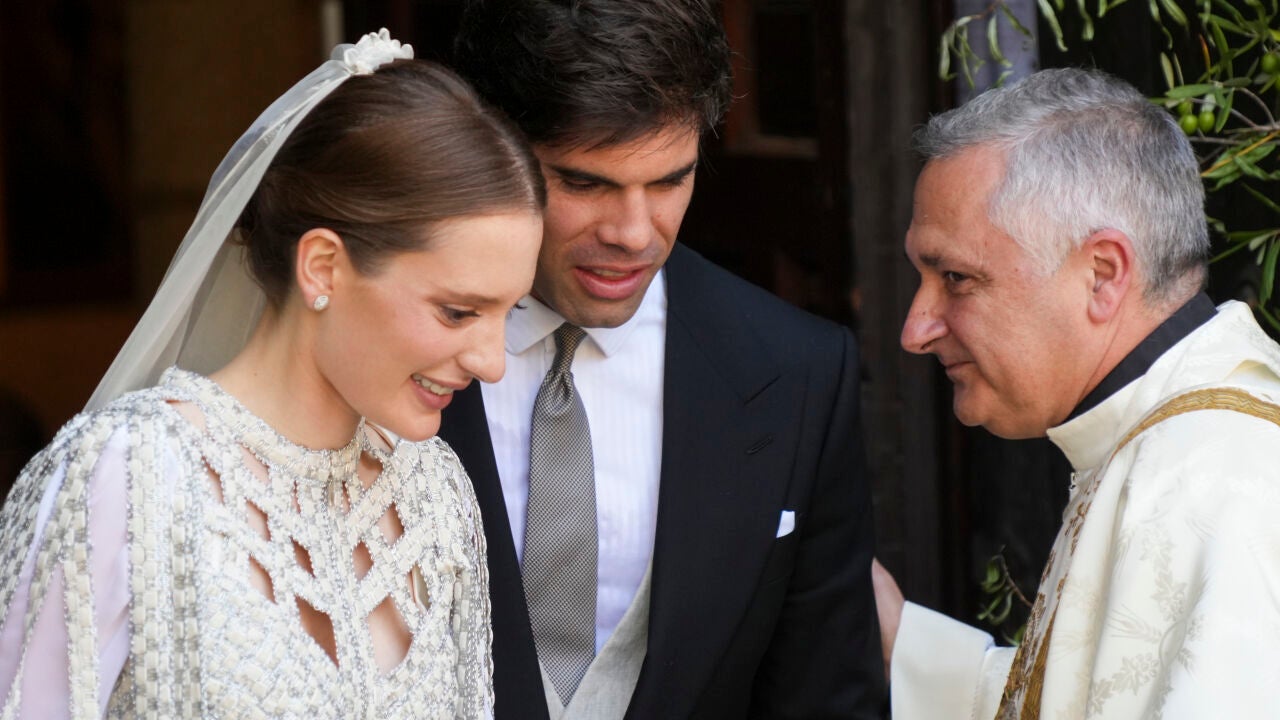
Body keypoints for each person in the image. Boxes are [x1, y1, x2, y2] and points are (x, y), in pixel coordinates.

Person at [0, 30, 545, 719]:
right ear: (323, 266)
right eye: (458, 310)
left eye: (509, 311)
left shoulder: (435, 494)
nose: (493, 362)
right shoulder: (127, 477)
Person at [439, 1, 885, 718]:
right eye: (585, 183)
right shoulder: (389, 350)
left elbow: (827, 695)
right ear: (492, 146)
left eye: (671, 180)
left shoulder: (797, 369)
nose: (634, 233)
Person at [878, 67, 1280, 718]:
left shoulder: (1228, 488)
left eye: (955, 277)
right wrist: (902, 643)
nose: (915, 330)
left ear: (1101, 276)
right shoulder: (1174, 439)